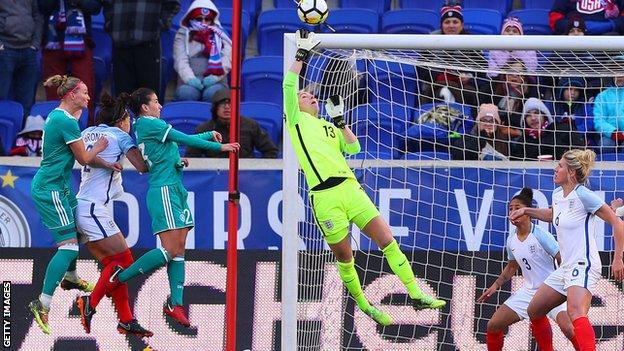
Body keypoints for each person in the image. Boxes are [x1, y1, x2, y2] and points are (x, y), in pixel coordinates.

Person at [283, 29, 446, 326]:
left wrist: (340, 121)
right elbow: (289, 83)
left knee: (387, 238)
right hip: (325, 196)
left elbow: (354, 146)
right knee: (346, 257)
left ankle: (415, 292)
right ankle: (365, 305)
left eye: (310, 94)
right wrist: (301, 54)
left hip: (350, 189)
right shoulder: (296, 121)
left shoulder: (328, 127)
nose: (309, 96)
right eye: (304, 95)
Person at [106, 87, 239, 327]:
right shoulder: (147, 123)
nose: (160, 105)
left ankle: (175, 304)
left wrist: (204, 139)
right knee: (169, 250)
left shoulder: (150, 126)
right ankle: (120, 277)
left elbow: (168, 151)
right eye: (156, 101)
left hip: (175, 188)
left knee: (179, 250)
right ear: (145, 107)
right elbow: (182, 138)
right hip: (164, 191)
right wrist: (219, 146)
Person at [510, 149, 624, 351]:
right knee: (534, 310)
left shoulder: (583, 194)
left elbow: (617, 223)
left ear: (571, 172)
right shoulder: (557, 194)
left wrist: (618, 259)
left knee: (576, 312)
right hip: (565, 268)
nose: (556, 169)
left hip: (583, 263)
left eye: (560, 165)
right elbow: (552, 214)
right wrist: (526, 210)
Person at [28, 75, 117, 335]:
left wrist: (107, 163)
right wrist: (101, 147)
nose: (89, 98)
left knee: (77, 230)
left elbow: (83, 157)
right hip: (50, 189)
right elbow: (84, 157)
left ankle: (71, 277)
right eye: (85, 93)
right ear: (71, 95)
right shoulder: (66, 121)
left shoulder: (63, 118)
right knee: (67, 247)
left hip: (61, 186)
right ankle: (42, 303)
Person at [74, 92, 152, 337]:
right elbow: (142, 167)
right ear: (122, 121)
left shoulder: (87, 133)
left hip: (82, 206)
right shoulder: (120, 135)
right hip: (93, 208)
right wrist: (168, 157)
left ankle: (126, 319)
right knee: (125, 261)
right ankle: (90, 303)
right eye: (128, 120)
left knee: (114, 265)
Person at [477, 188, 577, 351]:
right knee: (493, 325)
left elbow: (562, 259)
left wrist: (570, 286)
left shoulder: (541, 235)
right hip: (530, 292)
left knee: (569, 328)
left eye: (517, 208)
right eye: (510, 208)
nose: (513, 211)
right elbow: (512, 266)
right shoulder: (511, 241)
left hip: (553, 290)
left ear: (528, 212)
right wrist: (495, 286)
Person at [101, 0, 180, 99]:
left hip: (149, 44)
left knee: (148, 98)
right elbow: (106, 3)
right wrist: (110, 23)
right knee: (123, 99)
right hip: (120, 44)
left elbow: (172, 4)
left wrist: (160, 24)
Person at [39, 0, 101, 125]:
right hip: (53, 40)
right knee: (54, 89)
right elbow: (42, 6)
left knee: (84, 87)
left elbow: (95, 7)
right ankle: (55, 130)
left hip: (80, 40)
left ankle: (86, 131)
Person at [185, 88, 279, 158]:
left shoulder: (251, 125)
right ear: (215, 108)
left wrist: (258, 175)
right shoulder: (204, 129)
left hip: (246, 177)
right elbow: (191, 157)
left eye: (230, 103)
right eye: (222, 104)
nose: (227, 107)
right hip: (214, 178)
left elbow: (270, 151)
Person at [173, 0, 231, 102]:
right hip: (189, 80)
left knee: (213, 94)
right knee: (187, 93)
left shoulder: (221, 34)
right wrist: (190, 79)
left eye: (207, 19)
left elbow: (227, 59)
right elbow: (180, 60)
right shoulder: (182, 34)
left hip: (217, 80)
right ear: (192, 18)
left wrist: (214, 78)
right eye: (199, 19)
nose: (203, 22)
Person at [0, 0, 43, 117]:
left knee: (27, 102)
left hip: (28, 50)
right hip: (5, 50)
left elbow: (37, 16)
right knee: (1, 97)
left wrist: (35, 44)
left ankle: (23, 134)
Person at [510, 97, 585, 160]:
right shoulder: (523, 141)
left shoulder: (563, 130)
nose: (533, 118)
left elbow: (581, 153)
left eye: (536, 113)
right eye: (528, 115)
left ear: (544, 114)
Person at [592, 65, 624, 153]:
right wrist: (613, 132)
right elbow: (598, 120)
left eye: (622, 74)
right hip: (609, 136)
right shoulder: (602, 96)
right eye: (616, 73)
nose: (619, 77)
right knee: (605, 144)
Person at [549, 0, 624, 35]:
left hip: (606, 36)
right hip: (575, 35)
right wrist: (577, 26)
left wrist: (611, 25)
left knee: (612, 36)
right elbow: (555, 19)